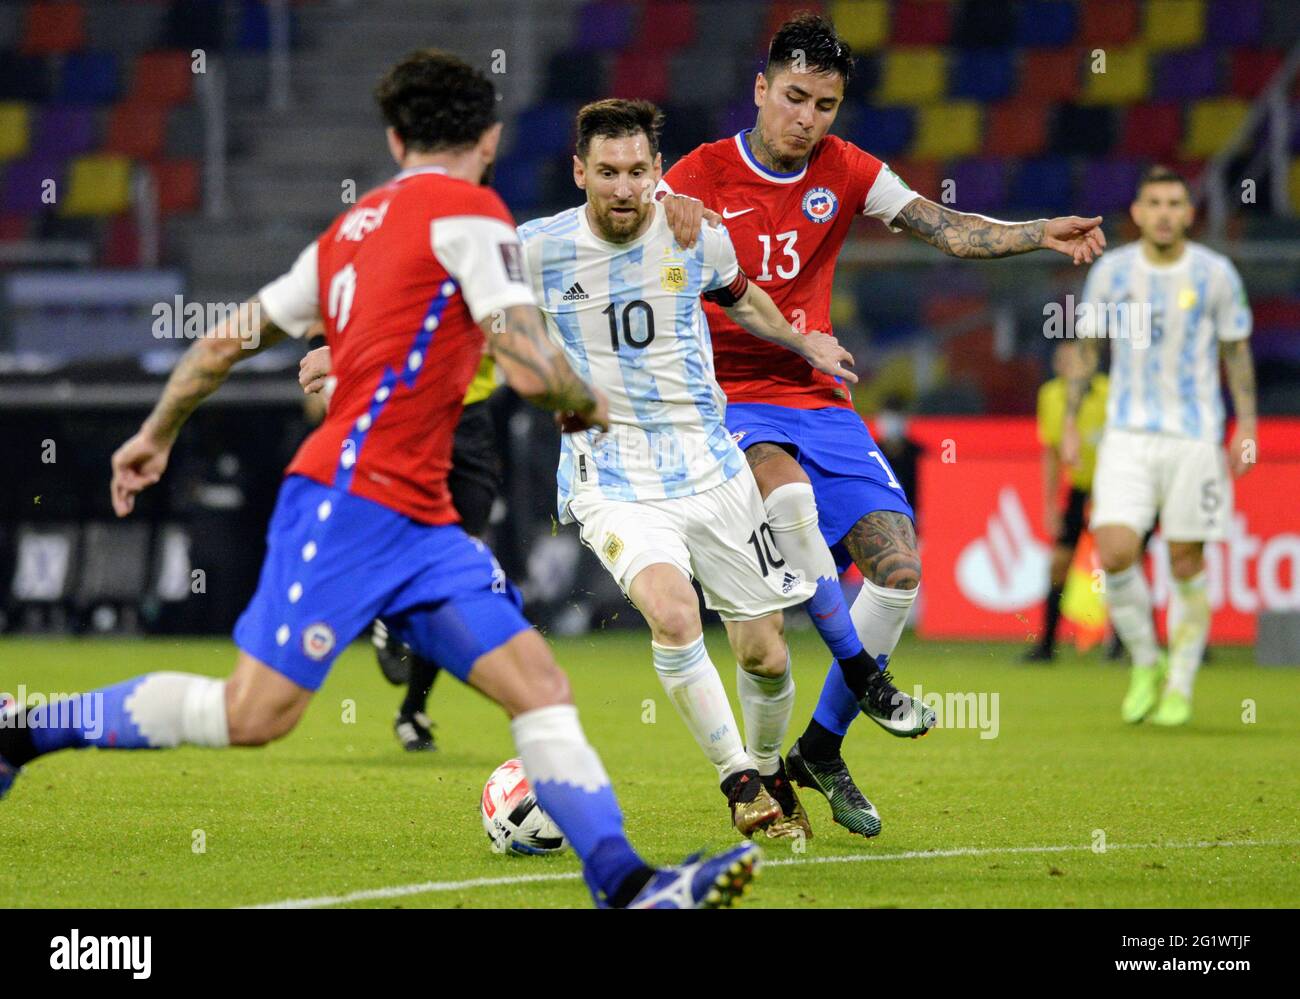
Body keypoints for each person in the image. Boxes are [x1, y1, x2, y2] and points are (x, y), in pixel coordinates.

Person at [0, 49, 758, 909]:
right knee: (254, 714)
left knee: (538, 684)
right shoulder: (476, 217)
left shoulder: (344, 236)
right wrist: (576, 396)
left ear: (396, 140)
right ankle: (23, 733)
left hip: (424, 520)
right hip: (349, 504)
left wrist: (154, 433)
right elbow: (518, 351)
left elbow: (222, 342)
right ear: (491, 136)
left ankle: (625, 884)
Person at [656, 11, 1106, 834]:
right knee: (788, 509)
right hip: (727, 398)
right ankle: (866, 679)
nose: (807, 118)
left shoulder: (847, 168)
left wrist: (1042, 231)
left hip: (819, 394)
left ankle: (820, 749)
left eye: (825, 104)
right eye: (794, 97)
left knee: (900, 571)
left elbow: (946, 229)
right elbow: (629, 246)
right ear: (761, 89)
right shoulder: (699, 172)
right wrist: (661, 217)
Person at [1064, 165, 1255, 726]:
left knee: (1185, 558)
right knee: (1116, 548)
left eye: (1176, 202)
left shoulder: (1216, 273)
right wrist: (1072, 421)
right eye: (1155, 203)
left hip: (1196, 436)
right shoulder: (1114, 273)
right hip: (1126, 434)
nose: (1166, 212)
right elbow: (1087, 349)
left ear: (1189, 213)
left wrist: (1246, 425)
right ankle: (1146, 661)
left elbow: (1237, 354)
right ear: (1139, 214)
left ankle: (1182, 682)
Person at [1024, 340, 1108, 662]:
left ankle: (1126, 645)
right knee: (1059, 564)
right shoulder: (1050, 396)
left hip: (1113, 490)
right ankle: (1046, 645)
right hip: (1079, 489)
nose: (1069, 366)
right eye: (1063, 361)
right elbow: (1052, 453)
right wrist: (1050, 505)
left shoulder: (1110, 392)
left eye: (1076, 360)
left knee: (1122, 563)